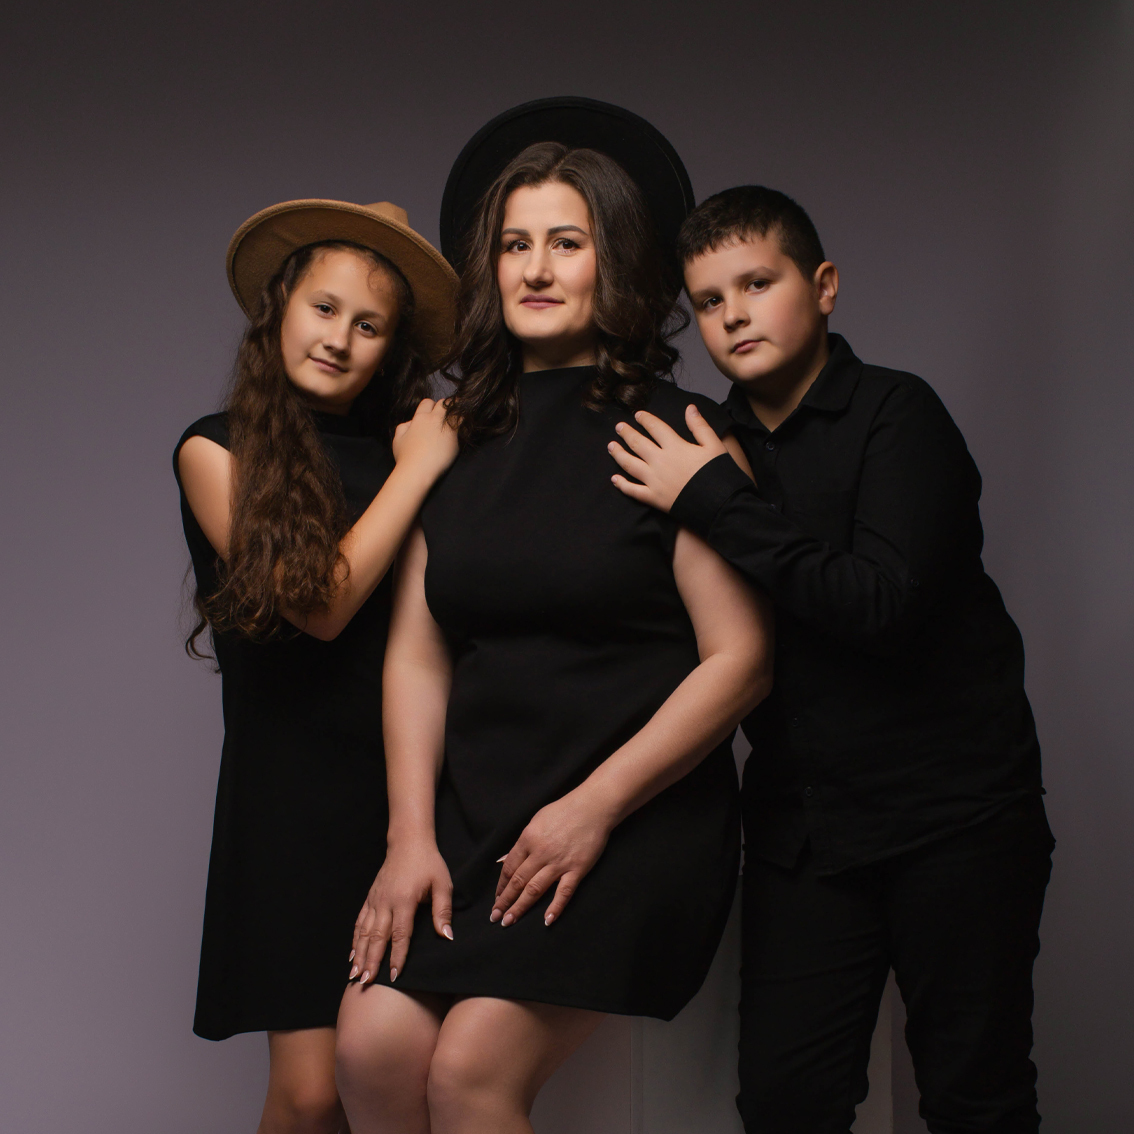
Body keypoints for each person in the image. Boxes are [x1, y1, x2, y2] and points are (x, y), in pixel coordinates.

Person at [334, 100, 774, 1134]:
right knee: (371, 1050)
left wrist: (595, 807)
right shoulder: (454, 438)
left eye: (566, 243)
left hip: (633, 815)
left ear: (613, 264)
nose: (535, 268)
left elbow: (744, 659)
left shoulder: (676, 430)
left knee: (470, 1071)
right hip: (475, 813)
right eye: (515, 244)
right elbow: (417, 657)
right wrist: (408, 838)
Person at [609, 185, 1053, 1133]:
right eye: (709, 302)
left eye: (757, 284)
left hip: (957, 819)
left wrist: (714, 500)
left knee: (975, 1097)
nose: (734, 315)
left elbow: (879, 607)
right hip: (804, 835)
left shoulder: (899, 414)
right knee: (785, 1103)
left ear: (823, 287)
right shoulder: (706, 444)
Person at [174, 198, 458, 1134]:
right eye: (325, 308)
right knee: (309, 1096)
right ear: (280, 308)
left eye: (369, 325)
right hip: (290, 801)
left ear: (392, 349)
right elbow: (320, 604)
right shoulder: (215, 448)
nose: (339, 338)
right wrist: (419, 470)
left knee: (396, 1079)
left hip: (417, 792)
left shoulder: (408, 450)